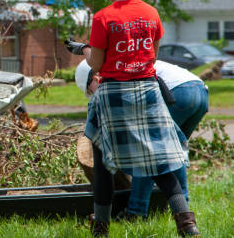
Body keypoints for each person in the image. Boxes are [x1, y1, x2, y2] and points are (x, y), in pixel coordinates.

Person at [65, 0, 200, 237]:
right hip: (149, 92)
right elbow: (152, 57)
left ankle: (101, 227)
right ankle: (187, 224)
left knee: (102, 164)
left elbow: (98, 64)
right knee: (161, 162)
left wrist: (85, 49)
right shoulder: (151, 13)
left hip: (114, 95)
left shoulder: (103, 18)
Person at [74, 59, 209, 218]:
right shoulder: (123, 63)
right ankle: (182, 208)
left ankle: (136, 212)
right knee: (172, 152)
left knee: (144, 151)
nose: (92, 95)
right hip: (199, 91)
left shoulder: (117, 72)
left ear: (94, 78)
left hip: (177, 93)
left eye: (90, 91)